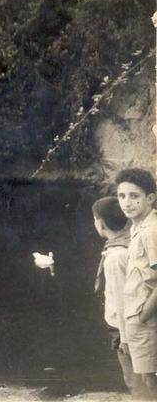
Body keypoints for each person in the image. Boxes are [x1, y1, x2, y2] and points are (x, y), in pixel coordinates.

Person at [92, 196, 145, 396]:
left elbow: (125, 301)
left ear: (101, 223)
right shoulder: (129, 242)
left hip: (125, 327)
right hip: (135, 322)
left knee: (134, 380)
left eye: (94, 219)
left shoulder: (115, 257)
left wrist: (124, 339)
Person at [115, 168, 157, 397]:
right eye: (122, 196)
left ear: (150, 198)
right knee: (146, 379)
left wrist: (142, 317)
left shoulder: (152, 231)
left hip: (147, 319)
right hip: (139, 317)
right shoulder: (137, 228)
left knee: (151, 381)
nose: (127, 203)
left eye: (134, 196)